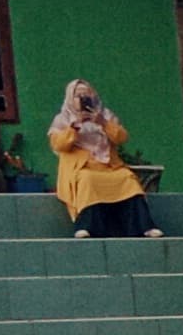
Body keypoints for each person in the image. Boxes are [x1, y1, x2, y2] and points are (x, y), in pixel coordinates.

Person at [50, 79, 151, 238]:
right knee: (88, 179)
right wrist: (75, 125)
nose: (83, 98)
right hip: (81, 166)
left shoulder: (105, 115)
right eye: (78, 95)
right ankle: (86, 227)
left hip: (108, 165)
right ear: (71, 98)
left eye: (86, 94)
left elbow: (121, 138)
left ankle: (143, 226)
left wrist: (103, 123)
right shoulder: (63, 119)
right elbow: (58, 145)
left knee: (127, 179)